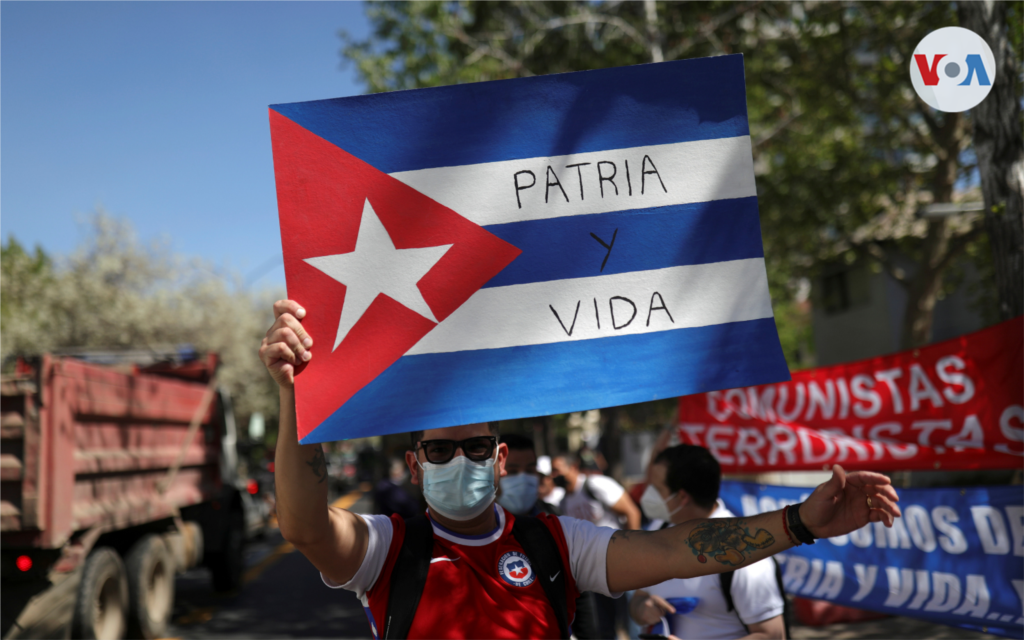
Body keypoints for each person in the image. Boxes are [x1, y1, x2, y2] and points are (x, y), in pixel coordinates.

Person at [260, 299, 902, 639]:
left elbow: (679, 549)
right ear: (414, 463)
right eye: (439, 451)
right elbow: (306, 526)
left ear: (501, 456)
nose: (461, 460)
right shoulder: (389, 549)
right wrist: (298, 396)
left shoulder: (553, 542)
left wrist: (800, 522)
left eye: (477, 449)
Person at [630, 444, 786, 640]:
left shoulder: (745, 556)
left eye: (657, 489)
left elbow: (772, 635)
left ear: (682, 497)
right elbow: (638, 598)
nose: (647, 495)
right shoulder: (657, 530)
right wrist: (642, 607)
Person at [551, 452, 642, 531]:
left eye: (556, 470)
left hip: (614, 547)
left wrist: (630, 547)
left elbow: (632, 513)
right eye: (552, 471)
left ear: (573, 467)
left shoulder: (594, 485)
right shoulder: (562, 502)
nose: (553, 475)